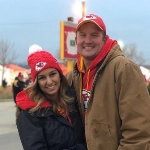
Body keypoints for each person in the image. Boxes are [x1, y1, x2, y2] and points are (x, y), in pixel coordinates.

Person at [66, 14, 150, 150]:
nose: (88, 40)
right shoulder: (73, 75)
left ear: (104, 39)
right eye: (83, 35)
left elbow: (138, 130)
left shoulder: (123, 68)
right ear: (76, 40)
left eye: (94, 35)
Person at [16, 44, 87, 150]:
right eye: (42, 78)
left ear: (59, 75)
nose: (49, 82)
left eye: (52, 74)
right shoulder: (30, 113)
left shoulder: (72, 100)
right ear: (36, 82)